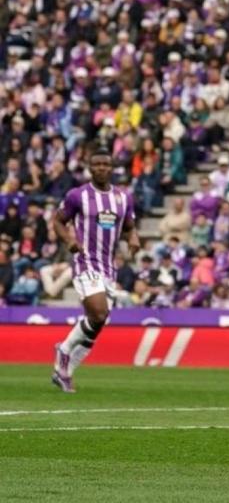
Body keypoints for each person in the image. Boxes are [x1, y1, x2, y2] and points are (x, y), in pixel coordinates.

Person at [51, 148, 141, 393]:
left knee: (97, 323)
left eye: (106, 164)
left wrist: (133, 238)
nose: (102, 168)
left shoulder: (123, 198)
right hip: (85, 262)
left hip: (109, 268)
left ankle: (64, 371)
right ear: (90, 168)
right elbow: (58, 220)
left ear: (112, 168)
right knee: (99, 313)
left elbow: (130, 226)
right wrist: (69, 240)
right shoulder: (77, 196)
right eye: (97, 164)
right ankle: (64, 350)